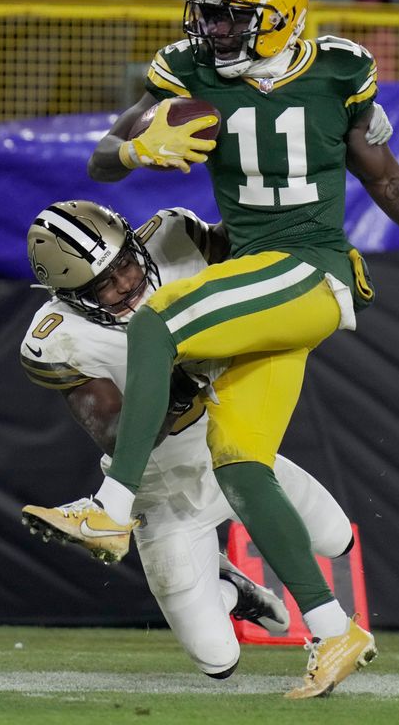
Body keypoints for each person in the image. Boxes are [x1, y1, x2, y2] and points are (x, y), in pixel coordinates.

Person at [43, 0, 399, 698]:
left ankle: (111, 507)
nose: (214, 30)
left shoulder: (338, 69)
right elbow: (102, 155)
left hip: (311, 270)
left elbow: (384, 176)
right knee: (242, 467)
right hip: (260, 276)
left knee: (159, 320)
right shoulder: (189, 71)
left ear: (280, 17)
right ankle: (335, 633)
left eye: (232, 17)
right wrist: (133, 150)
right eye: (211, 15)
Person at [20, 199, 357, 677]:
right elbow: (118, 435)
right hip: (163, 490)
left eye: (124, 266)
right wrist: (174, 374)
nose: (125, 286)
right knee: (217, 660)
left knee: (337, 539)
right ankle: (232, 587)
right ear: (69, 297)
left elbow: (261, 246)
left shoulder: (176, 236)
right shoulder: (56, 337)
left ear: (136, 242)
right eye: (102, 287)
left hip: (236, 450)